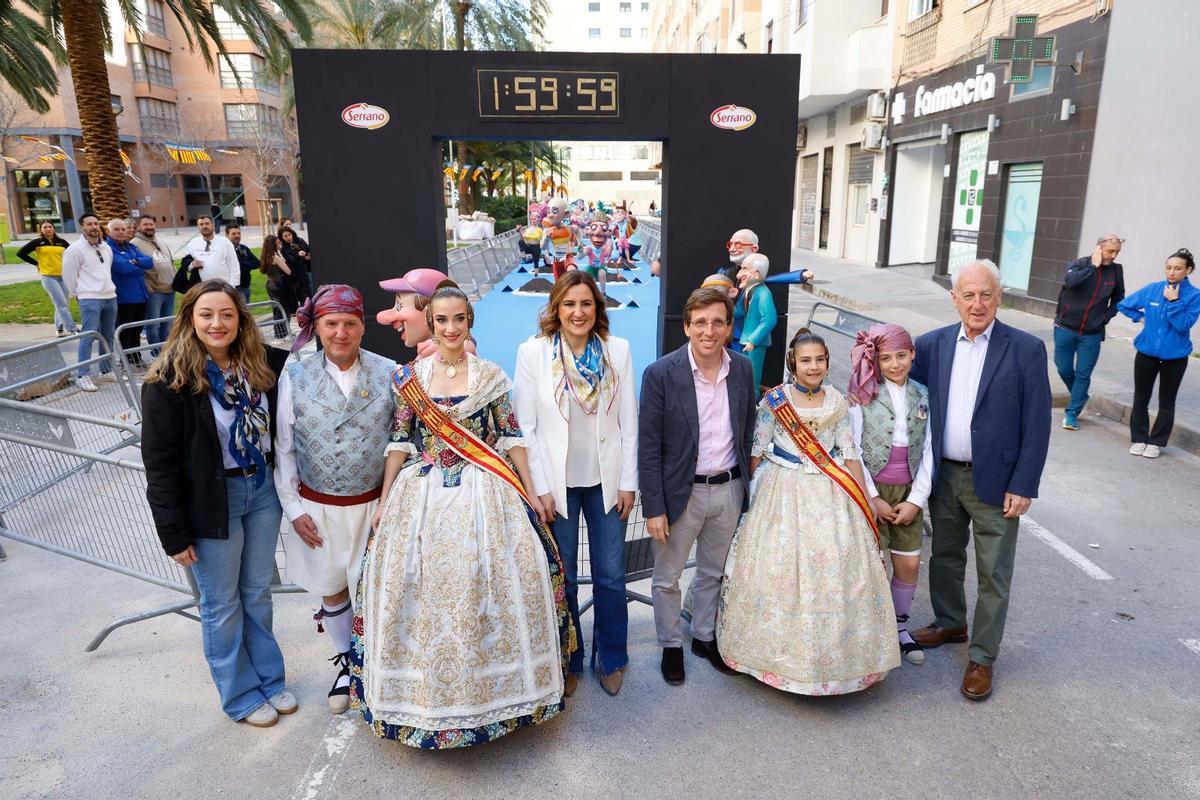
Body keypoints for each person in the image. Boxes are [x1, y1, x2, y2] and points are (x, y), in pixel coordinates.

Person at [351, 285, 573, 748]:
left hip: (485, 491)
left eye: (459, 320)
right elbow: (400, 441)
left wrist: (531, 492)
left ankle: (498, 695)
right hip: (423, 494)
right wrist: (385, 499)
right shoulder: (411, 378)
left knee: (490, 581)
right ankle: (424, 698)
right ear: (430, 325)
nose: (451, 329)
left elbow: (511, 437)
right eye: (442, 321)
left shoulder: (490, 376)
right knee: (423, 588)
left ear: (470, 321)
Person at [141, 280, 295, 728]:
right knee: (221, 602)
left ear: (240, 318)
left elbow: (313, 359)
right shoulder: (169, 380)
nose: (217, 323)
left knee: (256, 594)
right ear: (190, 318)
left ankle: (270, 678)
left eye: (226, 314)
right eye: (206, 314)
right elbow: (160, 464)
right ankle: (241, 693)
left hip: (262, 491)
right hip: (213, 501)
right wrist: (174, 533)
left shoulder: (262, 364)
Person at [718, 329, 899, 694]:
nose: (813, 366)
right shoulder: (775, 402)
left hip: (831, 493)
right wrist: (746, 498)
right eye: (806, 360)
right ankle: (769, 657)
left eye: (819, 360)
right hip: (781, 490)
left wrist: (864, 501)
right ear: (793, 364)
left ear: (827, 363)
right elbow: (758, 447)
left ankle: (841, 661)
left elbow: (849, 453)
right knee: (779, 567)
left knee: (836, 569)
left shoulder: (838, 402)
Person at [909, 259, 1052, 701]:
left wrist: (1024, 484)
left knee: (994, 573)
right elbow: (901, 398)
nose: (977, 303)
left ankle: (983, 656)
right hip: (945, 474)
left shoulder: (1025, 349)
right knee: (946, 557)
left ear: (999, 298)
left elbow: (1038, 422)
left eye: (985, 294)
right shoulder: (930, 346)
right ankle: (951, 622)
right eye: (967, 295)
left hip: (998, 480)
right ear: (954, 299)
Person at [513, 272, 638, 697]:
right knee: (561, 579)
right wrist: (539, 487)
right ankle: (567, 658)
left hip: (606, 481)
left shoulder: (617, 351)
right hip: (557, 486)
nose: (578, 312)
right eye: (569, 304)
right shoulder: (532, 354)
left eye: (586, 304)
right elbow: (525, 427)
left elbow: (629, 423)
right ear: (556, 309)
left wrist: (628, 482)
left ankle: (611, 658)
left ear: (597, 309)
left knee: (611, 577)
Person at [273, 285, 395, 714]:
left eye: (349, 323)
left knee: (376, 586)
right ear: (317, 327)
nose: (340, 333)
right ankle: (347, 662)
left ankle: (377, 664)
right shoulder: (294, 376)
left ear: (363, 326)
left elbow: (404, 441)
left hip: (375, 507)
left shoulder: (390, 372)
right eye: (331, 324)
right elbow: (284, 447)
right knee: (332, 587)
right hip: (319, 508)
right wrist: (294, 508)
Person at [639, 286, 756, 686]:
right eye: (701, 322)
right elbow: (649, 445)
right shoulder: (661, 374)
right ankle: (672, 644)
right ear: (687, 326)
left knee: (713, 572)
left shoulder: (742, 368)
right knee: (667, 576)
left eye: (718, 322)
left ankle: (704, 636)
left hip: (728, 488)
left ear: (728, 328)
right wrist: (653, 507)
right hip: (678, 495)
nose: (709, 330)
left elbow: (747, 426)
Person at [847, 323, 934, 666]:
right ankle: (867, 629)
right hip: (873, 490)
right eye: (886, 358)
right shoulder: (863, 396)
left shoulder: (924, 395)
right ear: (876, 360)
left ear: (913, 355)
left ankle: (899, 628)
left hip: (908, 490)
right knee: (870, 564)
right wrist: (871, 496)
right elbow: (852, 448)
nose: (896, 364)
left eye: (902, 355)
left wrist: (916, 500)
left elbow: (929, 449)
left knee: (908, 564)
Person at [1117, 248, 1200, 458]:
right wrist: (1141, 319)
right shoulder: (1153, 289)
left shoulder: (1194, 296)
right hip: (1146, 353)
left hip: (1175, 357)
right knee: (1141, 398)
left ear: (1188, 270)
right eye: (1168, 267)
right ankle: (1138, 439)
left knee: (1166, 401)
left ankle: (1156, 442)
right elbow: (1124, 305)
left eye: (1178, 268)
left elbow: (1183, 325)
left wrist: (1174, 302)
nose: (1171, 272)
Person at [1053, 235, 1126, 430]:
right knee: (1064, 369)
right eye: (1111, 251)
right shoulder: (1079, 264)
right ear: (1098, 248)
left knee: (1083, 374)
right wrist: (1092, 267)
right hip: (1065, 327)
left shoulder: (1116, 271)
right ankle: (1081, 397)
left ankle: (1072, 413)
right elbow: (1070, 281)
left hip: (1092, 333)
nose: (1114, 255)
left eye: (1117, 251)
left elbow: (1118, 298)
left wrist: (1105, 317)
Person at [61, 213, 117, 392]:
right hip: (89, 298)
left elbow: (107, 269)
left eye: (96, 223)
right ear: (82, 228)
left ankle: (106, 370)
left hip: (109, 296)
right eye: (89, 224)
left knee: (108, 336)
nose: (94, 227)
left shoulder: (106, 248)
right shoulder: (74, 249)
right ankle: (82, 375)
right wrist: (75, 293)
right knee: (88, 337)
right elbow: (69, 274)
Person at [375, 268, 476, 359]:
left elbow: (467, 344)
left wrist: (450, 345)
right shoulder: (428, 353)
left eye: (399, 306)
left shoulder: (449, 353)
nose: (385, 319)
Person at [107, 218, 155, 365]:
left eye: (123, 229)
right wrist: (137, 263)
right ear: (109, 231)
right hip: (124, 297)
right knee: (125, 331)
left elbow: (149, 261)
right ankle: (125, 359)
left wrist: (136, 262)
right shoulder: (108, 248)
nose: (121, 232)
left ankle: (136, 357)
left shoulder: (131, 247)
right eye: (117, 229)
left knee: (137, 329)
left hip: (140, 295)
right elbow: (122, 267)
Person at [17, 221, 77, 338]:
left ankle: (59, 329)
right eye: (45, 227)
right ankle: (72, 329)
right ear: (41, 230)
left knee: (61, 304)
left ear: (54, 229)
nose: (48, 229)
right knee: (62, 304)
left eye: (50, 227)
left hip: (63, 276)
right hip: (48, 277)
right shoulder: (37, 242)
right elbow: (21, 253)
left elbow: (71, 255)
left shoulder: (62, 242)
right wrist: (36, 263)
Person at [733, 253, 778, 395]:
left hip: (755, 343)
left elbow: (769, 319)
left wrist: (753, 340)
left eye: (744, 269)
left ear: (757, 274)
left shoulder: (764, 293)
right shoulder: (747, 291)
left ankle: (752, 402)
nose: (739, 274)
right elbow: (738, 311)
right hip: (745, 339)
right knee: (742, 374)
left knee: (752, 377)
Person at [132, 216, 177, 351]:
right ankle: (156, 353)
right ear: (139, 227)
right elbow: (137, 268)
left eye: (151, 224)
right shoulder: (135, 244)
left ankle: (166, 351)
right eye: (145, 224)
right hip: (154, 291)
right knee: (154, 325)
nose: (149, 227)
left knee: (167, 323)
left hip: (169, 289)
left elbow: (171, 263)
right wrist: (146, 284)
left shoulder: (161, 242)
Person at [181, 216, 240, 287]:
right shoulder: (193, 243)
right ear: (198, 227)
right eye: (201, 224)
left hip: (222, 287)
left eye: (207, 223)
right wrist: (192, 264)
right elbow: (185, 263)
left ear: (213, 225)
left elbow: (234, 266)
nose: (204, 226)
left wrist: (232, 286)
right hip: (200, 288)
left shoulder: (225, 243)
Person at [259, 234, 295, 338]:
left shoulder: (266, 257)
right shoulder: (275, 257)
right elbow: (288, 271)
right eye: (278, 243)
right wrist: (283, 259)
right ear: (273, 245)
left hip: (270, 285)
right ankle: (283, 333)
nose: (280, 244)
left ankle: (279, 333)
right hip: (278, 285)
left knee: (277, 309)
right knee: (283, 309)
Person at [226, 224, 260, 305]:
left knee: (247, 310)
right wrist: (247, 264)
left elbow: (256, 263)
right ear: (227, 235)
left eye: (238, 233)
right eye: (233, 234)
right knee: (244, 312)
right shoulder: (226, 249)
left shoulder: (243, 248)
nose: (237, 236)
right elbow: (236, 267)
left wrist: (244, 264)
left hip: (246, 286)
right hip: (235, 287)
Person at [279, 226, 313, 302]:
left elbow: (308, 250)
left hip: (308, 269)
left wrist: (308, 256)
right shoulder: (284, 249)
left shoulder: (300, 241)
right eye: (285, 236)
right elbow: (291, 260)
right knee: (303, 296)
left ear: (292, 234)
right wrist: (298, 255)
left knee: (312, 291)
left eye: (289, 234)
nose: (288, 237)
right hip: (298, 275)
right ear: (282, 238)